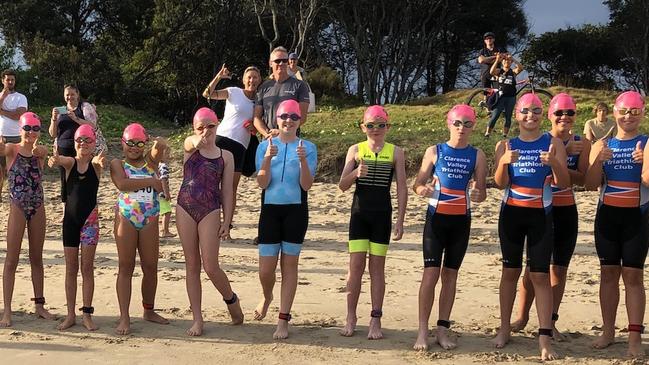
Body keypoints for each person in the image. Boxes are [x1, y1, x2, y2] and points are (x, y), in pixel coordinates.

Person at [492, 93, 569, 361]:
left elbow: (564, 183)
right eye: (525, 111)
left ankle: (544, 338)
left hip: (540, 215)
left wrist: (555, 162)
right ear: (516, 115)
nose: (531, 115)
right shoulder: (506, 144)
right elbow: (500, 183)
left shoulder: (554, 143)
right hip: (511, 214)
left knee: (540, 276)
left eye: (536, 111)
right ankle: (504, 329)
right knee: (510, 273)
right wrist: (503, 162)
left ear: (542, 114)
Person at [510, 93, 590, 340]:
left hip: (565, 208)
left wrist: (561, 163)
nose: (564, 117)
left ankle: (551, 321)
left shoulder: (583, 143)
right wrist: (563, 153)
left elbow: (585, 180)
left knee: (559, 269)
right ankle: (522, 317)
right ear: (550, 115)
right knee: (532, 267)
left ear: (576, 116)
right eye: (559, 113)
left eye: (570, 113)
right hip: (540, 208)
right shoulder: (542, 140)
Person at [412, 105, 487, 351]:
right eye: (457, 123)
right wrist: (422, 190)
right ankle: (423, 331)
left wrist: (478, 193)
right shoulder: (435, 151)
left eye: (467, 124)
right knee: (431, 274)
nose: (461, 128)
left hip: (460, 221)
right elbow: (418, 183)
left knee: (450, 275)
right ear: (449, 124)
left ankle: (442, 330)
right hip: (436, 219)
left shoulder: (477, 155)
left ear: (473, 126)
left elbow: (481, 192)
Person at [338, 105, 407, 340]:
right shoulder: (355, 150)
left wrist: (400, 220)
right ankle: (350, 316)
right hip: (359, 216)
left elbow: (402, 188)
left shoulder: (396, 152)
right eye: (370, 125)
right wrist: (355, 172)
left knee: (377, 269)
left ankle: (375, 319)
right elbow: (342, 185)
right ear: (363, 127)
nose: (375, 129)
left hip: (382, 217)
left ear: (388, 127)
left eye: (380, 125)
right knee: (355, 268)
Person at [586, 91, 647, 357]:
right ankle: (608, 331)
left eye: (634, 111)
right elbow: (589, 184)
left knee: (633, 276)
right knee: (608, 273)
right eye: (623, 111)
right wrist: (598, 162)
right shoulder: (602, 143)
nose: (628, 116)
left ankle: (635, 338)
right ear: (614, 112)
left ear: (642, 113)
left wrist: (645, 164)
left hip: (638, 216)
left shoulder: (646, 143)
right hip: (607, 217)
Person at [252, 99, 317, 340]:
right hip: (270, 211)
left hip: (296, 212)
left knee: (289, 267)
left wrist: (302, 161)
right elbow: (262, 183)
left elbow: (306, 185)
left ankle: (283, 320)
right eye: (284, 116)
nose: (288, 120)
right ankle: (267, 296)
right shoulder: (264, 146)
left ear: (300, 121)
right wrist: (268, 158)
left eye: (294, 117)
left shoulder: (308, 147)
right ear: (276, 119)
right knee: (265, 270)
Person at [176, 108, 244, 336]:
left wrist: (228, 220)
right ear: (194, 128)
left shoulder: (226, 156)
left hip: (210, 208)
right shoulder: (190, 144)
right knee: (192, 266)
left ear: (218, 125)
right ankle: (197, 319)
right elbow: (190, 143)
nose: (206, 131)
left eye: (211, 126)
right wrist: (198, 139)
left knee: (211, 266)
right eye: (201, 127)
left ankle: (231, 299)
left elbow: (227, 191)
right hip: (184, 205)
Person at [110, 123, 169, 335]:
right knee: (125, 267)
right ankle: (124, 317)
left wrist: (159, 144)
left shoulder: (150, 163)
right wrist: (151, 182)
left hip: (149, 217)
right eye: (130, 143)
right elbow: (122, 184)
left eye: (139, 143)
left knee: (150, 267)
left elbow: (158, 149)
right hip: (126, 217)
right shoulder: (117, 163)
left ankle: (149, 310)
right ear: (123, 143)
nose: (134, 147)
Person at [48, 124, 107, 331]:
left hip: (89, 222)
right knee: (71, 268)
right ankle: (71, 314)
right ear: (74, 143)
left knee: (87, 268)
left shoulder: (96, 165)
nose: (83, 143)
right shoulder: (70, 163)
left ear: (93, 144)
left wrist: (99, 162)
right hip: (70, 222)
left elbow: (100, 163)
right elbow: (60, 160)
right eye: (80, 140)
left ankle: (87, 314)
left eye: (87, 140)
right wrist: (54, 159)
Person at [0, 112, 55, 327]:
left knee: (37, 258)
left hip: (38, 205)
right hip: (17, 205)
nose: (31, 132)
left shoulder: (40, 152)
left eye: (35, 129)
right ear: (20, 129)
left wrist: (40, 151)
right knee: (11, 259)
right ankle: (7, 311)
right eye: (27, 128)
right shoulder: (11, 149)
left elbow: (43, 152)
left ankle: (39, 305)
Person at [203, 64, 261, 234]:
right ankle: (208, 220)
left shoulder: (260, 101)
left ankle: (227, 223)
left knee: (230, 188)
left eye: (255, 77)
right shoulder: (234, 92)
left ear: (260, 80)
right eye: (249, 77)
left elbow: (258, 126)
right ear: (244, 80)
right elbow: (208, 94)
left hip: (240, 147)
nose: (252, 80)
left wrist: (254, 127)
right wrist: (219, 76)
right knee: (211, 183)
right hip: (221, 140)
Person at [49, 84, 98, 203]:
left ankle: (83, 202)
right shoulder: (60, 111)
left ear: (77, 95)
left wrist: (76, 118)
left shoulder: (84, 107)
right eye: (67, 95)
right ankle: (66, 205)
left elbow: (93, 126)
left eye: (72, 94)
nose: (69, 97)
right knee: (65, 178)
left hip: (82, 148)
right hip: (63, 148)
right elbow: (53, 134)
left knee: (82, 175)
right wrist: (54, 119)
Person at [253, 46, 310, 139]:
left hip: (290, 140)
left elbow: (302, 117)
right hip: (269, 140)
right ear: (270, 63)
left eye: (284, 60)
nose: (281, 63)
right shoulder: (263, 87)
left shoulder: (300, 85)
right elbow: (256, 118)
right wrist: (267, 134)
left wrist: (281, 132)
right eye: (277, 61)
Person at [0, 69, 28, 200]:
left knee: (15, 169)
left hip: (16, 137)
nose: (10, 82)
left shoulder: (21, 97)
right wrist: (2, 97)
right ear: (3, 81)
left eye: (12, 79)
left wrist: (2, 111)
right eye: (8, 79)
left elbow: (19, 115)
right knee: (0, 170)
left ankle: (16, 194)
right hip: (1, 137)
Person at [485, 53, 523, 138]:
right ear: (502, 62)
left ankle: (505, 135)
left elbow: (521, 68)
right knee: (495, 115)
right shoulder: (499, 71)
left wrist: (513, 59)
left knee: (508, 116)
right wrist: (497, 60)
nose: (507, 62)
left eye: (509, 61)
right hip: (500, 97)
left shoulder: (513, 72)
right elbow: (491, 72)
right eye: (505, 60)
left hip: (511, 97)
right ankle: (487, 133)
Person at [158, 148, 175, 238]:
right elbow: (163, 180)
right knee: (167, 212)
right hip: (162, 194)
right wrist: (166, 193)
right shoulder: (163, 166)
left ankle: (163, 229)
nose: (168, 156)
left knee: (160, 211)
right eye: (167, 154)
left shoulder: (156, 165)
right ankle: (165, 231)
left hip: (157, 192)